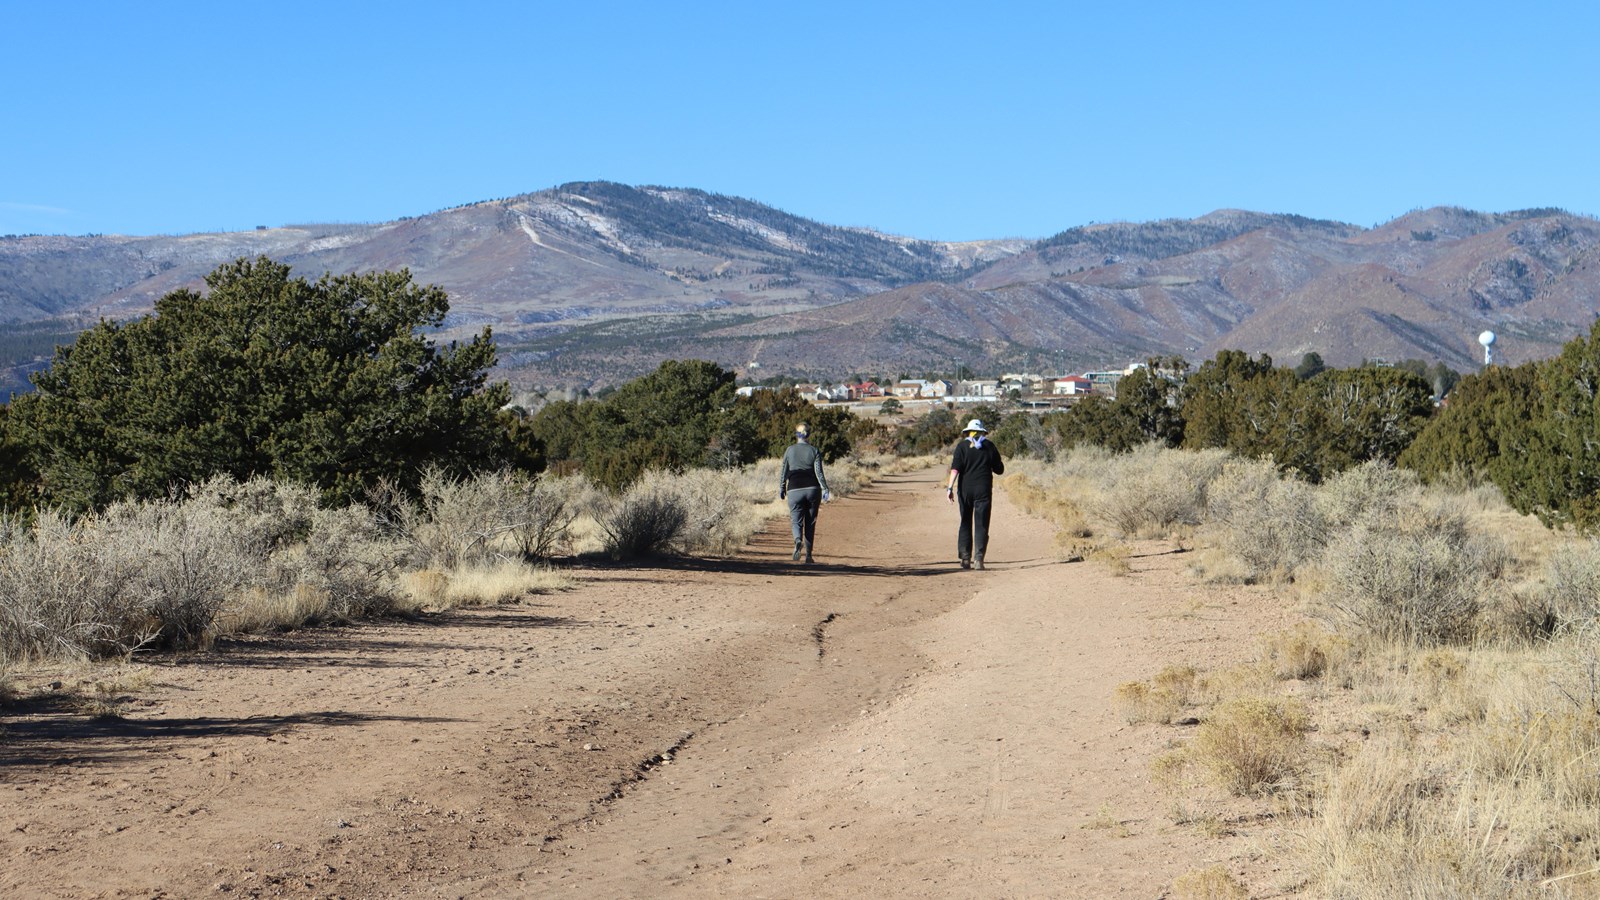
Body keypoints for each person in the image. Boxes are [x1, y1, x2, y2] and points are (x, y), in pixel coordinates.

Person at [945, 417, 1005, 570]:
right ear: (982, 432)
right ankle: (978, 559)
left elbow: (955, 469)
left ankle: (965, 559)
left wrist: (950, 488)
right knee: (981, 524)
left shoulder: (962, 447)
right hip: (983, 491)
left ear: (968, 432)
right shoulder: (989, 446)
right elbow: (999, 470)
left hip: (965, 490)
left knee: (965, 522)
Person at [779, 422, 831, 563]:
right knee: (810, 522)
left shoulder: (789, 450)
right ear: (809, 434)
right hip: (812, 489)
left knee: (796, 520)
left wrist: (782, 487)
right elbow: (819, 472)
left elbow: (784, 471)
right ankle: (808, 555)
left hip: (794, 488)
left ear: (796, 434)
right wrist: (825, 488)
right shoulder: (814, 450)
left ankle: (797, 540)